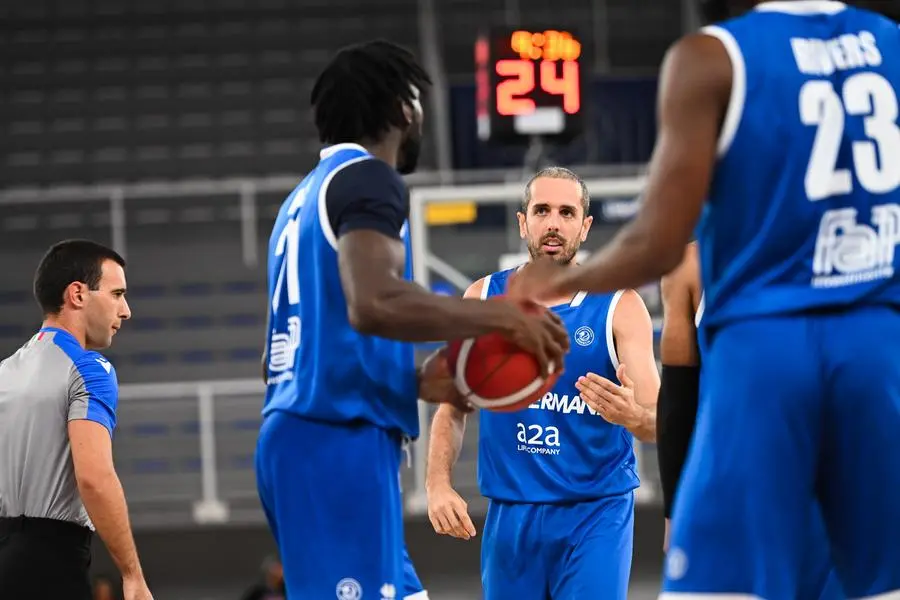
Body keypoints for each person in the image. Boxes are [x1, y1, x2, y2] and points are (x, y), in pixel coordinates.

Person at [507, 2, 900, 597]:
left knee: (714, 586)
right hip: (875, 344)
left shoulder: (712, 56)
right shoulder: (892, 43)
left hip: (767, 347)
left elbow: (656, 241)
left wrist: (557, 282)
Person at [255, 40, 569, 599]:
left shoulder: (298, 203)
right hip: (336, 442)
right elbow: (375, 302)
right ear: (403, 109)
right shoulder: (370, 179)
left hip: (302, 437)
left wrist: (413, 382)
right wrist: (495, 319)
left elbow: (284, 357)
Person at [426, 167, 659, 600]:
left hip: (596, 514)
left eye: (567, 212)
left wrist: (636, 417)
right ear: (523, 222)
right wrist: (437, 484)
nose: (554, 223)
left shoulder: (619, 306)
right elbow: (452, 409)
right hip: (512, 517)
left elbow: (661, 419)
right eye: (543, 210)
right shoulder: (480, 300)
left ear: (585, 227)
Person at [657, 242, 842, 599]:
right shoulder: (691, 265)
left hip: (837, 484)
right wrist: (673, 510)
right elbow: (678, 397)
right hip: (737, 484)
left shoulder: (859, 254)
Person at [0, 240, 152, 600]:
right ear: (78, 294)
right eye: (117, 294)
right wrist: (132, 575)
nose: (126, 310)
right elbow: (95, 478)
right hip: (50, 561)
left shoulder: (5, 372)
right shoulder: (89, 369)